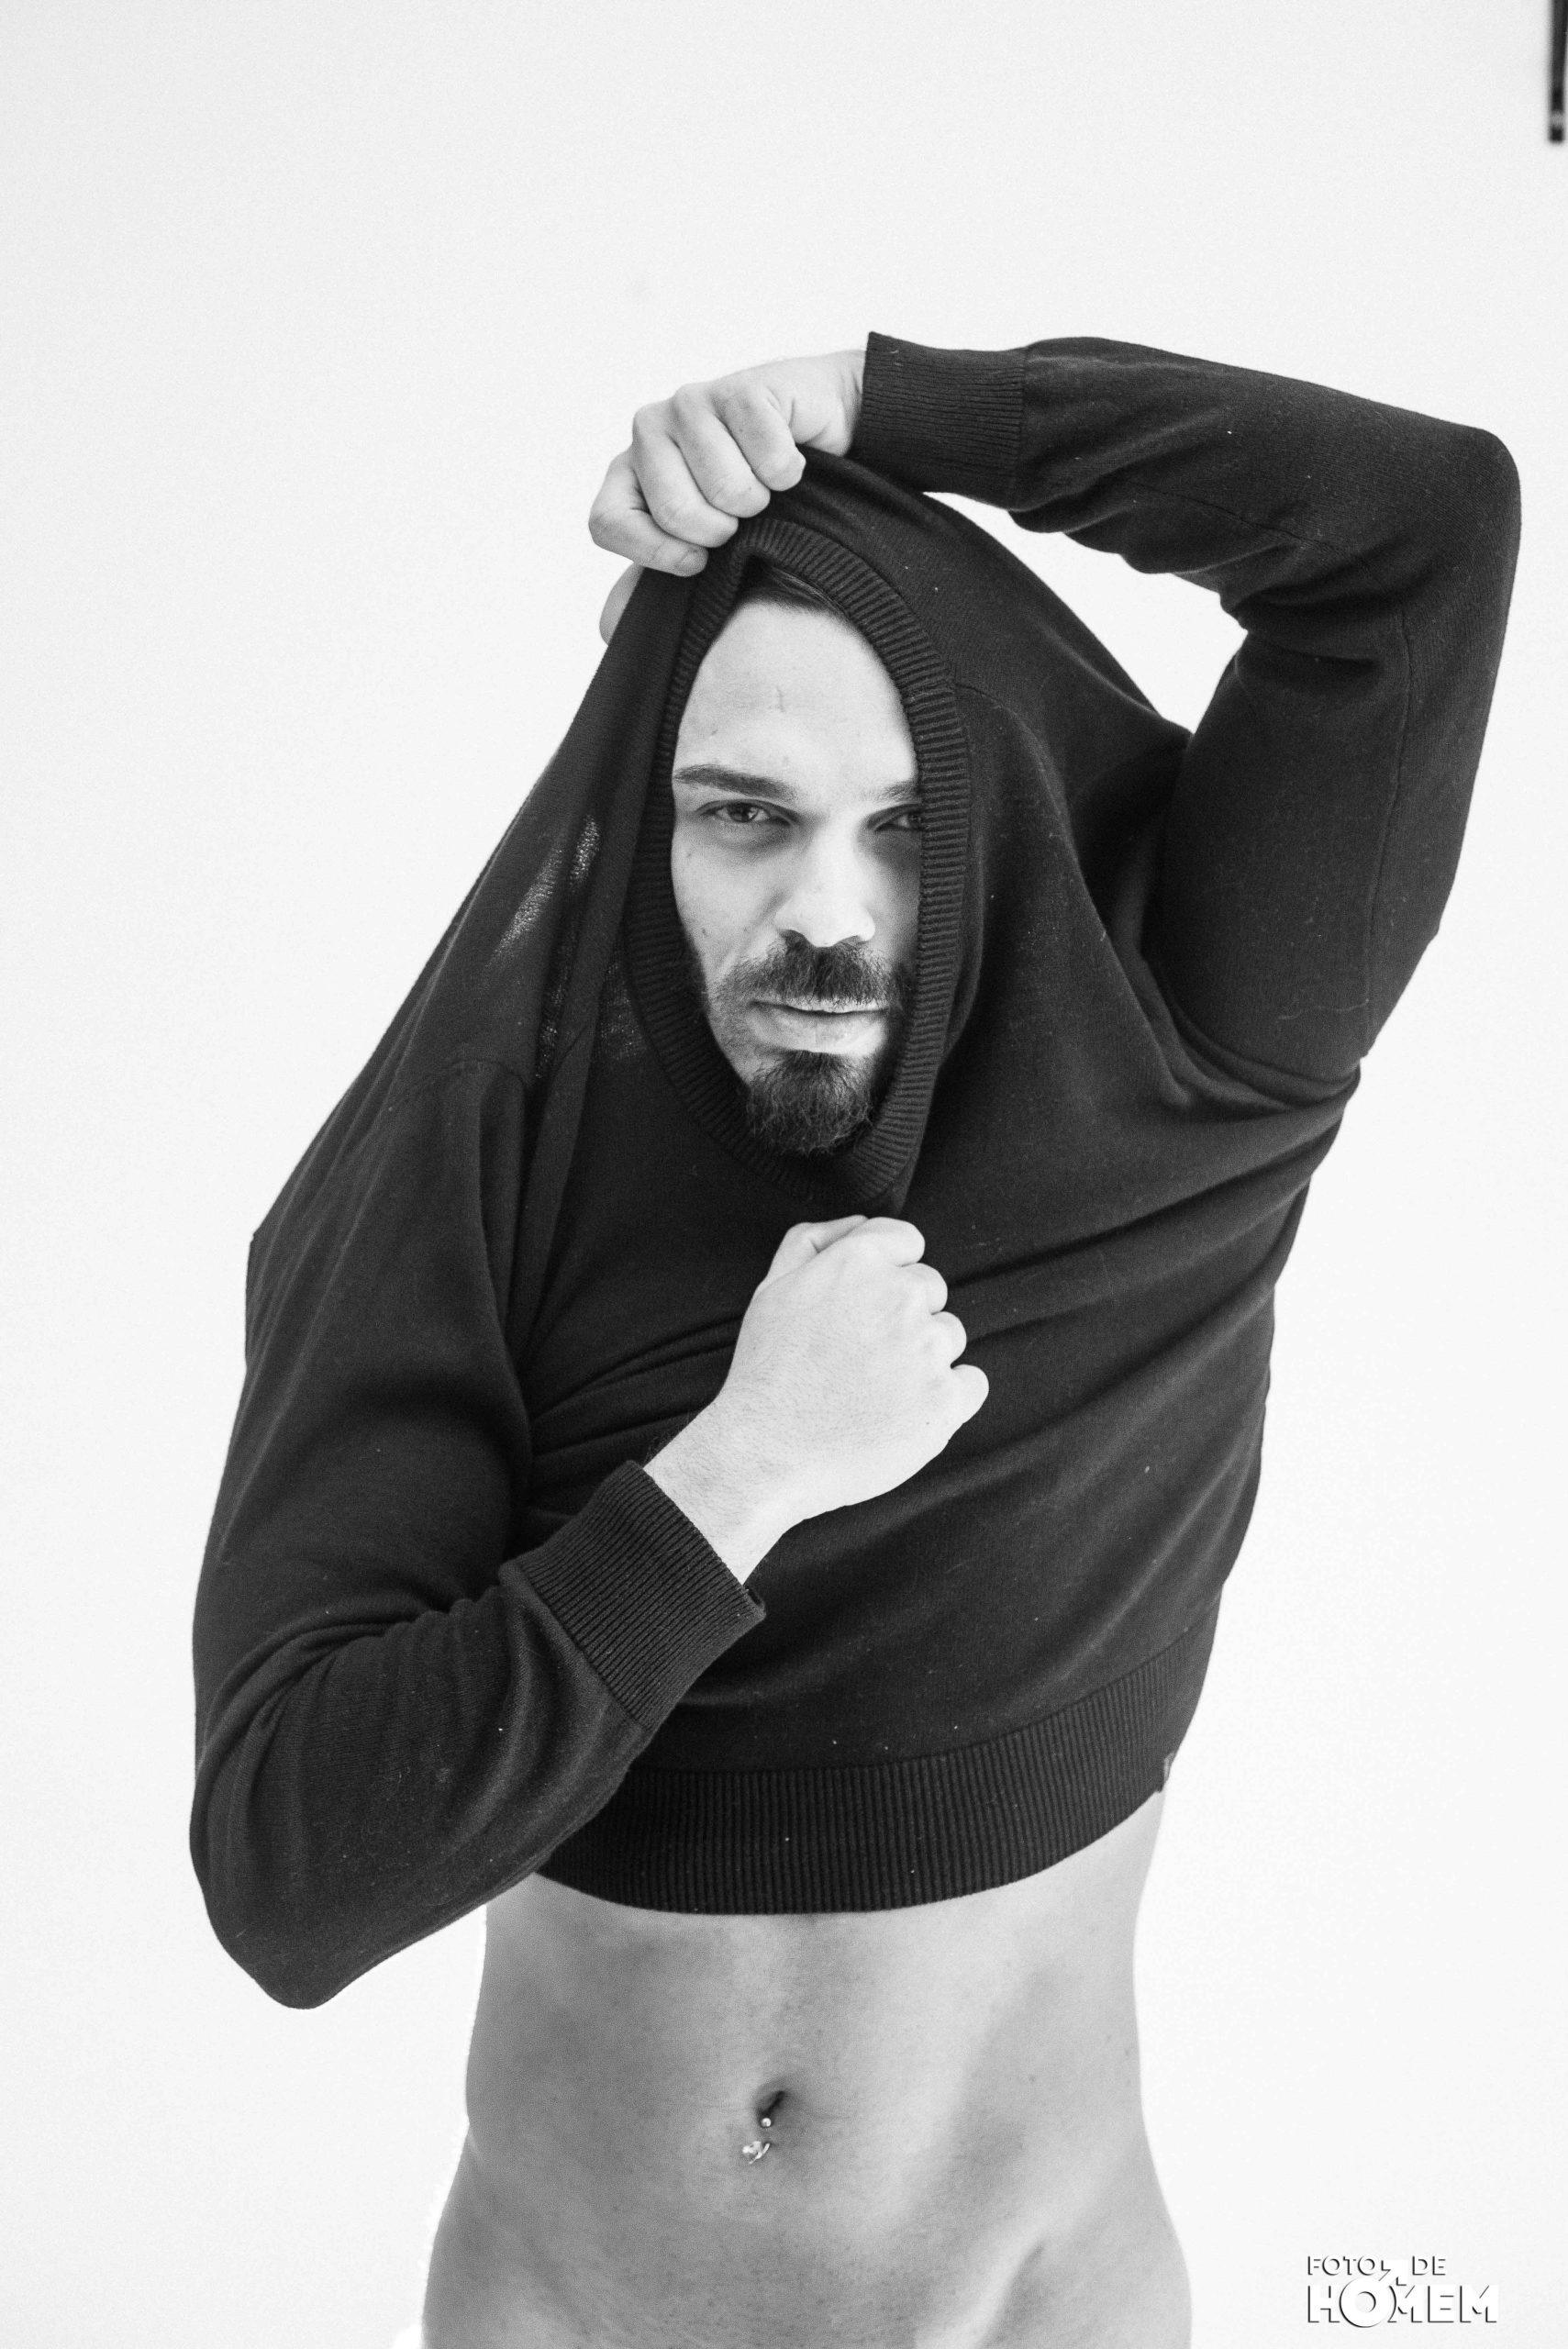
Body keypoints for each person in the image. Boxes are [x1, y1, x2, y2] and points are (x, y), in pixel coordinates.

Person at [190, 333, 1519, 2348]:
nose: (828, 911)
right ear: (636, 818)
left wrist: (875, 404)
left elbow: (1421, 532)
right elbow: (290, 1873)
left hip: (1034, 2310)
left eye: (907, 824)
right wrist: (739, 1473)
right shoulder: (468, 1164)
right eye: (746, 813)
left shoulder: (1190, 1050)